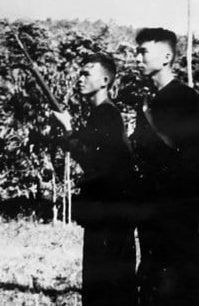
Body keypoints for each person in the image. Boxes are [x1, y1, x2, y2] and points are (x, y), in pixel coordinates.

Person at [51, 53, 136, 306]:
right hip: (111, 211)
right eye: (80, 73)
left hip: (109, 213)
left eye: (87, 74)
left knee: (105, 286)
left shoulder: (106, 113)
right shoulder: (102, 113)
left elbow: (91, 158)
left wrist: (67, 129)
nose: (80, 79)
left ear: (105, 81)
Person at [130, 27, 199, 306]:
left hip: (175, 213)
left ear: (166, 57)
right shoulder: (147, 102)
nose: (137, 58)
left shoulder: (185, 99)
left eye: (143, 52)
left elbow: (193, 158)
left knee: (178, 287)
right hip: (150, 211)